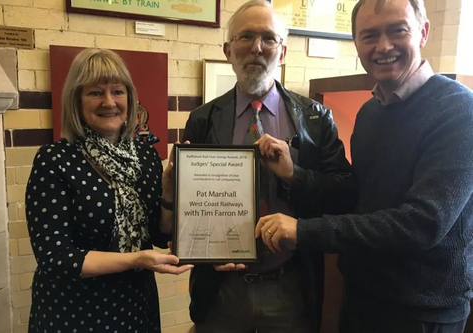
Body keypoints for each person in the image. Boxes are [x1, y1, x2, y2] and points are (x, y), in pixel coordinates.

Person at [255, 0, 473, 332]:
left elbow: (422, 223)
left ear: (423, 32)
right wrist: (293, 175)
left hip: (421, 311)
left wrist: (302, 231)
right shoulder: (370, 113)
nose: (383, 46)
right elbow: (357, 196)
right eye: (369, 35)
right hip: (361, 297)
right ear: (356, 43)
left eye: (397, 31)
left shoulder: (458, 110)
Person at [182, 1, 357, 332]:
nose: (257, 48)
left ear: (283, 50)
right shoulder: (202, 120)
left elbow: (344, 195)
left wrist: (295, 175)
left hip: (291, 285)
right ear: (227, 49)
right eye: (246, 36)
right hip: (222, 291)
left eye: (268, 38)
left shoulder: (316, 119)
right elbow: (190, 210)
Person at [24, 48, 192, 333]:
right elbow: (55, 256)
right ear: (76, 101)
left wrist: (168, 192)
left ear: (130, 98)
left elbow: (159, 235)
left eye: (118, 91)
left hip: (136, 306)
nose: (109, 102)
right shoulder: (54, 160)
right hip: (73, 311)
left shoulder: (145, 156)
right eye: (95, 93)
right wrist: (136, 259)